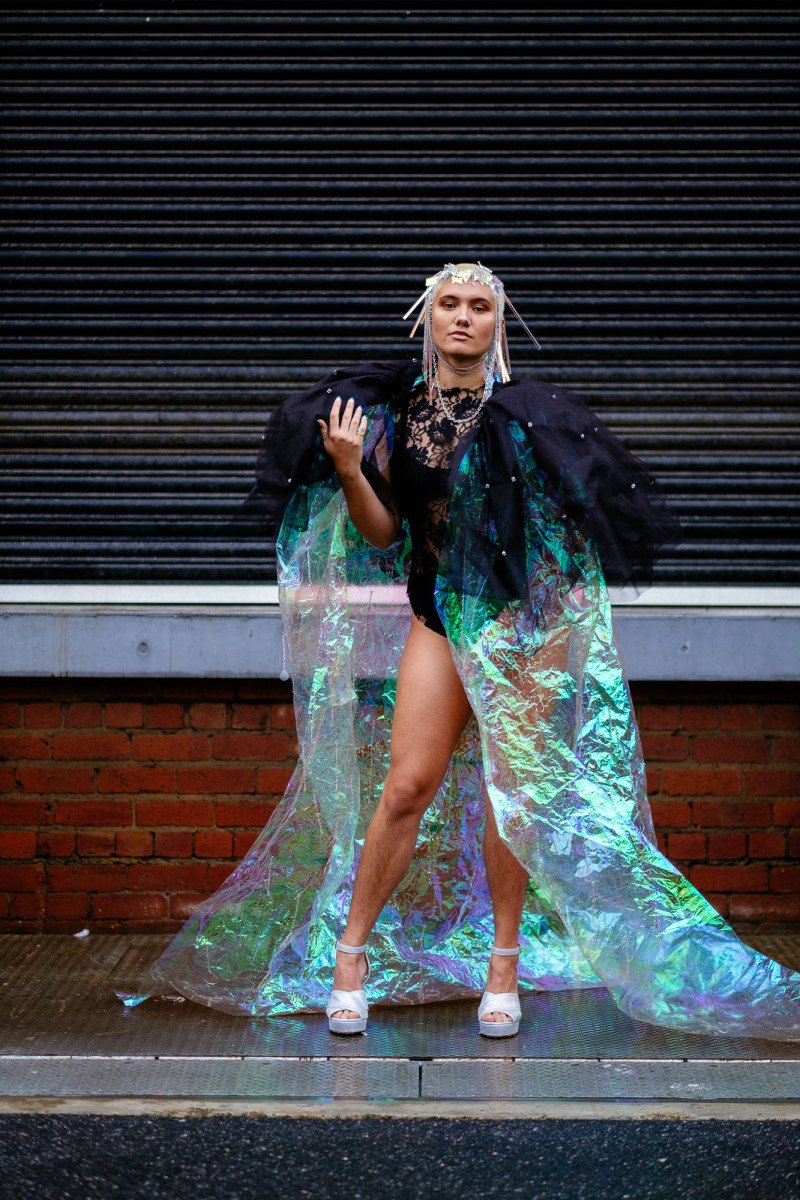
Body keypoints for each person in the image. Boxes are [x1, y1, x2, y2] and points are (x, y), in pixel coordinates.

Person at [119, 263, 800, 1043]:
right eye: (450, 304)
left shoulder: (531, 415)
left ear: (497, 324)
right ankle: (350, 958)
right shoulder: (397, 414)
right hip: (441, 618)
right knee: (407, 785)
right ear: (428, 319)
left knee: (515, 797)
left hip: (523, 626)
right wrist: (347, 467)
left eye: (480, 306)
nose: (464, 317)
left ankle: (502, 969)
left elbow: (572, 534)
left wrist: (551, 629)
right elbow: (385, 533)